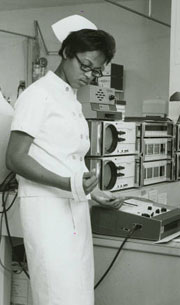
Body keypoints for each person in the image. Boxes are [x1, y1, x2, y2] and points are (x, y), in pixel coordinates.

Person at [6, 15, 121, 305]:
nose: (89, 75)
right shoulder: (38, 95)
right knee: (57, 293)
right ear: (67, 53)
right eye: (85, 67)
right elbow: (15, 158)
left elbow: (70, 158)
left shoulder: (71, 100)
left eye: (96, 72)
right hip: (46, 211)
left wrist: (94, 191)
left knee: (78, 293)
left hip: (74, 209)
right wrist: (68, 183)